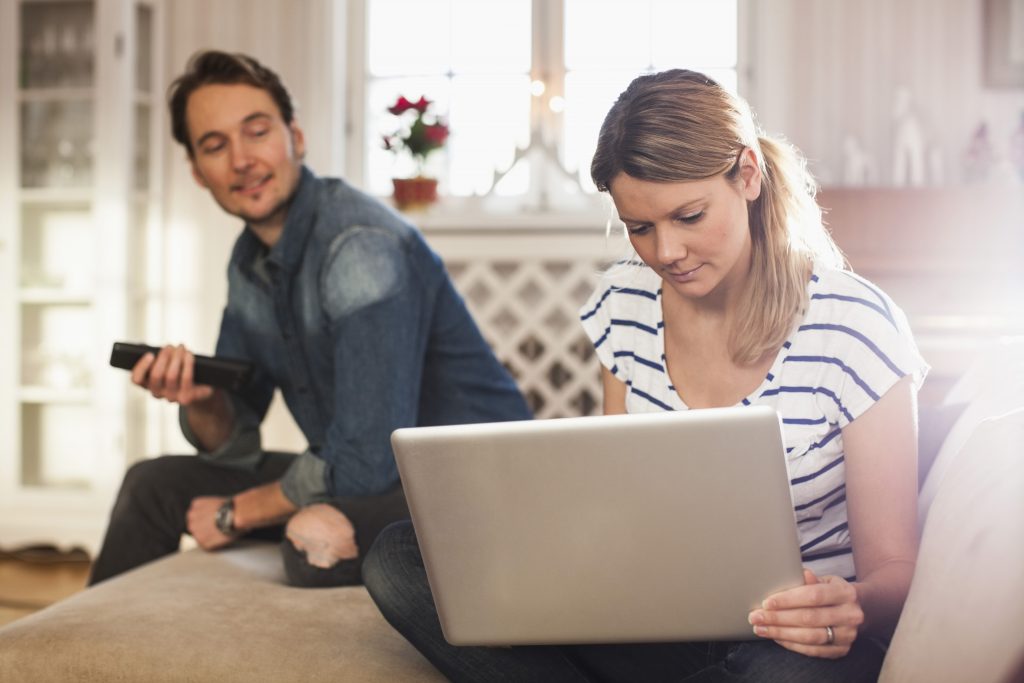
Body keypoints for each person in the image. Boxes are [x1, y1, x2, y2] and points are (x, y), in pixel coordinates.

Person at [363, 69, 926, 682]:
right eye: (640, 227)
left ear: (748, 175)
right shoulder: (622, 303)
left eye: (688, 216)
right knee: (400, 557)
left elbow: (895, 572)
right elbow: (620, 496)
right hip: (652, 618)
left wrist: (852, 606)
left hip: (789, 639)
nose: (666, 254)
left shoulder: (853, 321)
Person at [88, 50, 531, 588]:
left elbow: (369, 458)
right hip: (371, 478)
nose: (241, 160)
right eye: (215, 145)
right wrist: (204, 402)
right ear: (198, 173)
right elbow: (237, 441)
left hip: (470, 487)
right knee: (151, 483)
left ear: (295, 137)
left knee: (314, 537)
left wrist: (241, 511)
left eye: (256, 132)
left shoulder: (360, 248)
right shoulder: (247, 261)